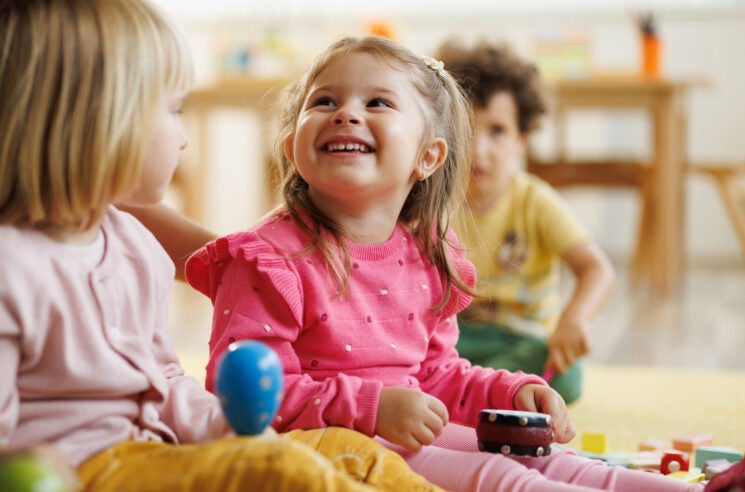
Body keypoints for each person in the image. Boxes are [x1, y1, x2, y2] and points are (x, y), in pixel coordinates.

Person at [185, 35, 710, 491]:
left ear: (427, 157)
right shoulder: (266, 258)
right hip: (324, 449)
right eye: (324, 100)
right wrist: (372, 407)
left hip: (398, 432)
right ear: (291, 144)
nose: (346, 112)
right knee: (503, 479)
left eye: (378, 103)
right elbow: (246, 398)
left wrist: (509, 390)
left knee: (543, 458)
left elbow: (438, 377)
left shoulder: (424, 253)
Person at [0, 2, 442, 491]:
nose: (184, 138)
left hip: (157, 450)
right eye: (174, 110)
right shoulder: (12, 267)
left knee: (346, 450)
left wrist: (228, 428)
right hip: (86, 469)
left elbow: (165, 379)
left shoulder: (134, 246)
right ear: (97, 124)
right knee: (284, 472)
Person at [435, 40, 616, 404]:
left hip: (522, 342)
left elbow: (597, 270)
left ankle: (472, 392)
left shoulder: (535, 202)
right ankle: (475, 390)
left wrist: (575, 317)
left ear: (522, 139)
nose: (478, 150)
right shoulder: (430, 200)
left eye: (497, 131)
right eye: (465, 131)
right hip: (454, 339)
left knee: (565, 375)